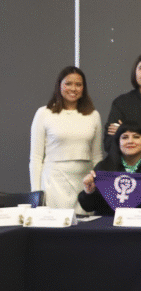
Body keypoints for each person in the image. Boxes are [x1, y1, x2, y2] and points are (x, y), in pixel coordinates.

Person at [29, 66, 103, 209]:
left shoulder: (93, 115)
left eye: (78, 84)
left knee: (84, 223)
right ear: (59, 86)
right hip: (53, 185)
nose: (73, 89)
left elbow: (97, 157)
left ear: (83, 88)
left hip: (84, 186)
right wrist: (36, 194)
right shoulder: (44, 113)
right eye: (68, 84)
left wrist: (96, 189)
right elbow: (36, 158)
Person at [78, 122, 141, 215]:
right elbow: (88, 207)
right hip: (109, 224)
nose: (130, 141)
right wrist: (89, 191)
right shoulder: (103, 167)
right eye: (125, 137)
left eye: (136, 137)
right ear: (118, 142)